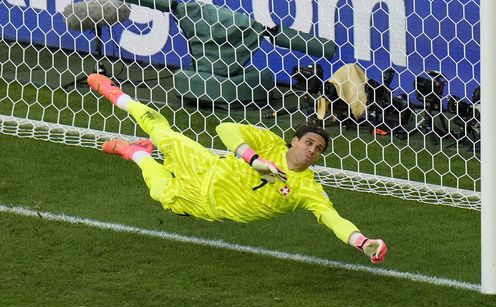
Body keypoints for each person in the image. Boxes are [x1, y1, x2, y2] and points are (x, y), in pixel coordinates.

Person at [87, 74, 387, 264]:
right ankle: (117, 95)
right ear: (294, 141)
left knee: (159, 191)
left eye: (318, 149)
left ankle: (135, 153)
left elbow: (333, 219)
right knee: (163, 132)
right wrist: (253, 159)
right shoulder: (270, 144)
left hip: (205, 204)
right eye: (309, 142)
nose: (312, 150)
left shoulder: (307, 189)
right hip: (206, 165)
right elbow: (225, 128)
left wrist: (362, 242)